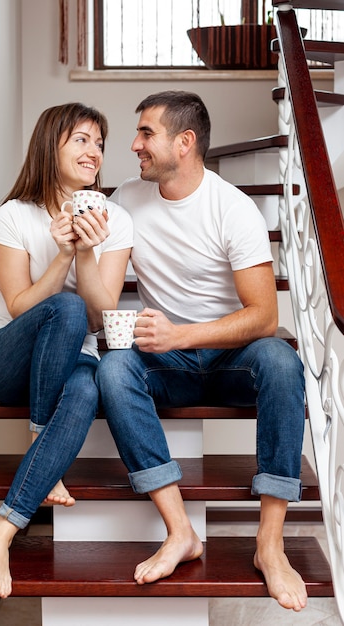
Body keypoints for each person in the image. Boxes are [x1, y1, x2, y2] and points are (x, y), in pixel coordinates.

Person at [95, 90, 307, 612]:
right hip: (166, 362)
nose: (134, 144)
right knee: (114, 367)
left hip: (226, 358)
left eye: (146, 133)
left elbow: (264, 316)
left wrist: (182, 335)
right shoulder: (124, 199)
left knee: (282, 361)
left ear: (184, 143)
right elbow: (69, 243)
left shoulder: (232, 209)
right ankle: (180, 531)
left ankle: (270, 544)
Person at [0, 102, 133, 598]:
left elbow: (97, 320)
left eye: (99, 143)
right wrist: (61, 253)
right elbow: (18, 307)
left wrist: (86, 252)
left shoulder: (116, 219)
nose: (94, 152)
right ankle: (43, 442)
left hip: (73, 353)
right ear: (50, 145)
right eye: (81, 140)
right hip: (5, 357)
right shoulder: (14, 215)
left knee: (84, 390)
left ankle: (0, 535)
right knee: (59, 309)